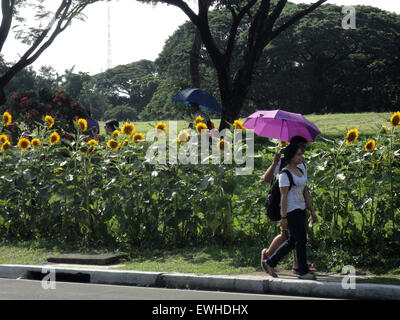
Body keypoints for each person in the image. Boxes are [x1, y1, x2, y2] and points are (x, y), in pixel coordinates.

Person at [261, 136, 317, 274]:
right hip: (286, 207)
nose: (303, 151)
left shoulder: (302, 166)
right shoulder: (282, 165)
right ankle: (269, 256)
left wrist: (311, 210)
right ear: (293, 150)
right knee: (290, 238)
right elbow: (267, 179)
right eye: (300, 148)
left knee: (295, 239)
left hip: (300, 206)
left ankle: (290, 264)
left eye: (304, 147)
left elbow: (305, 189)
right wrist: (274, 163)